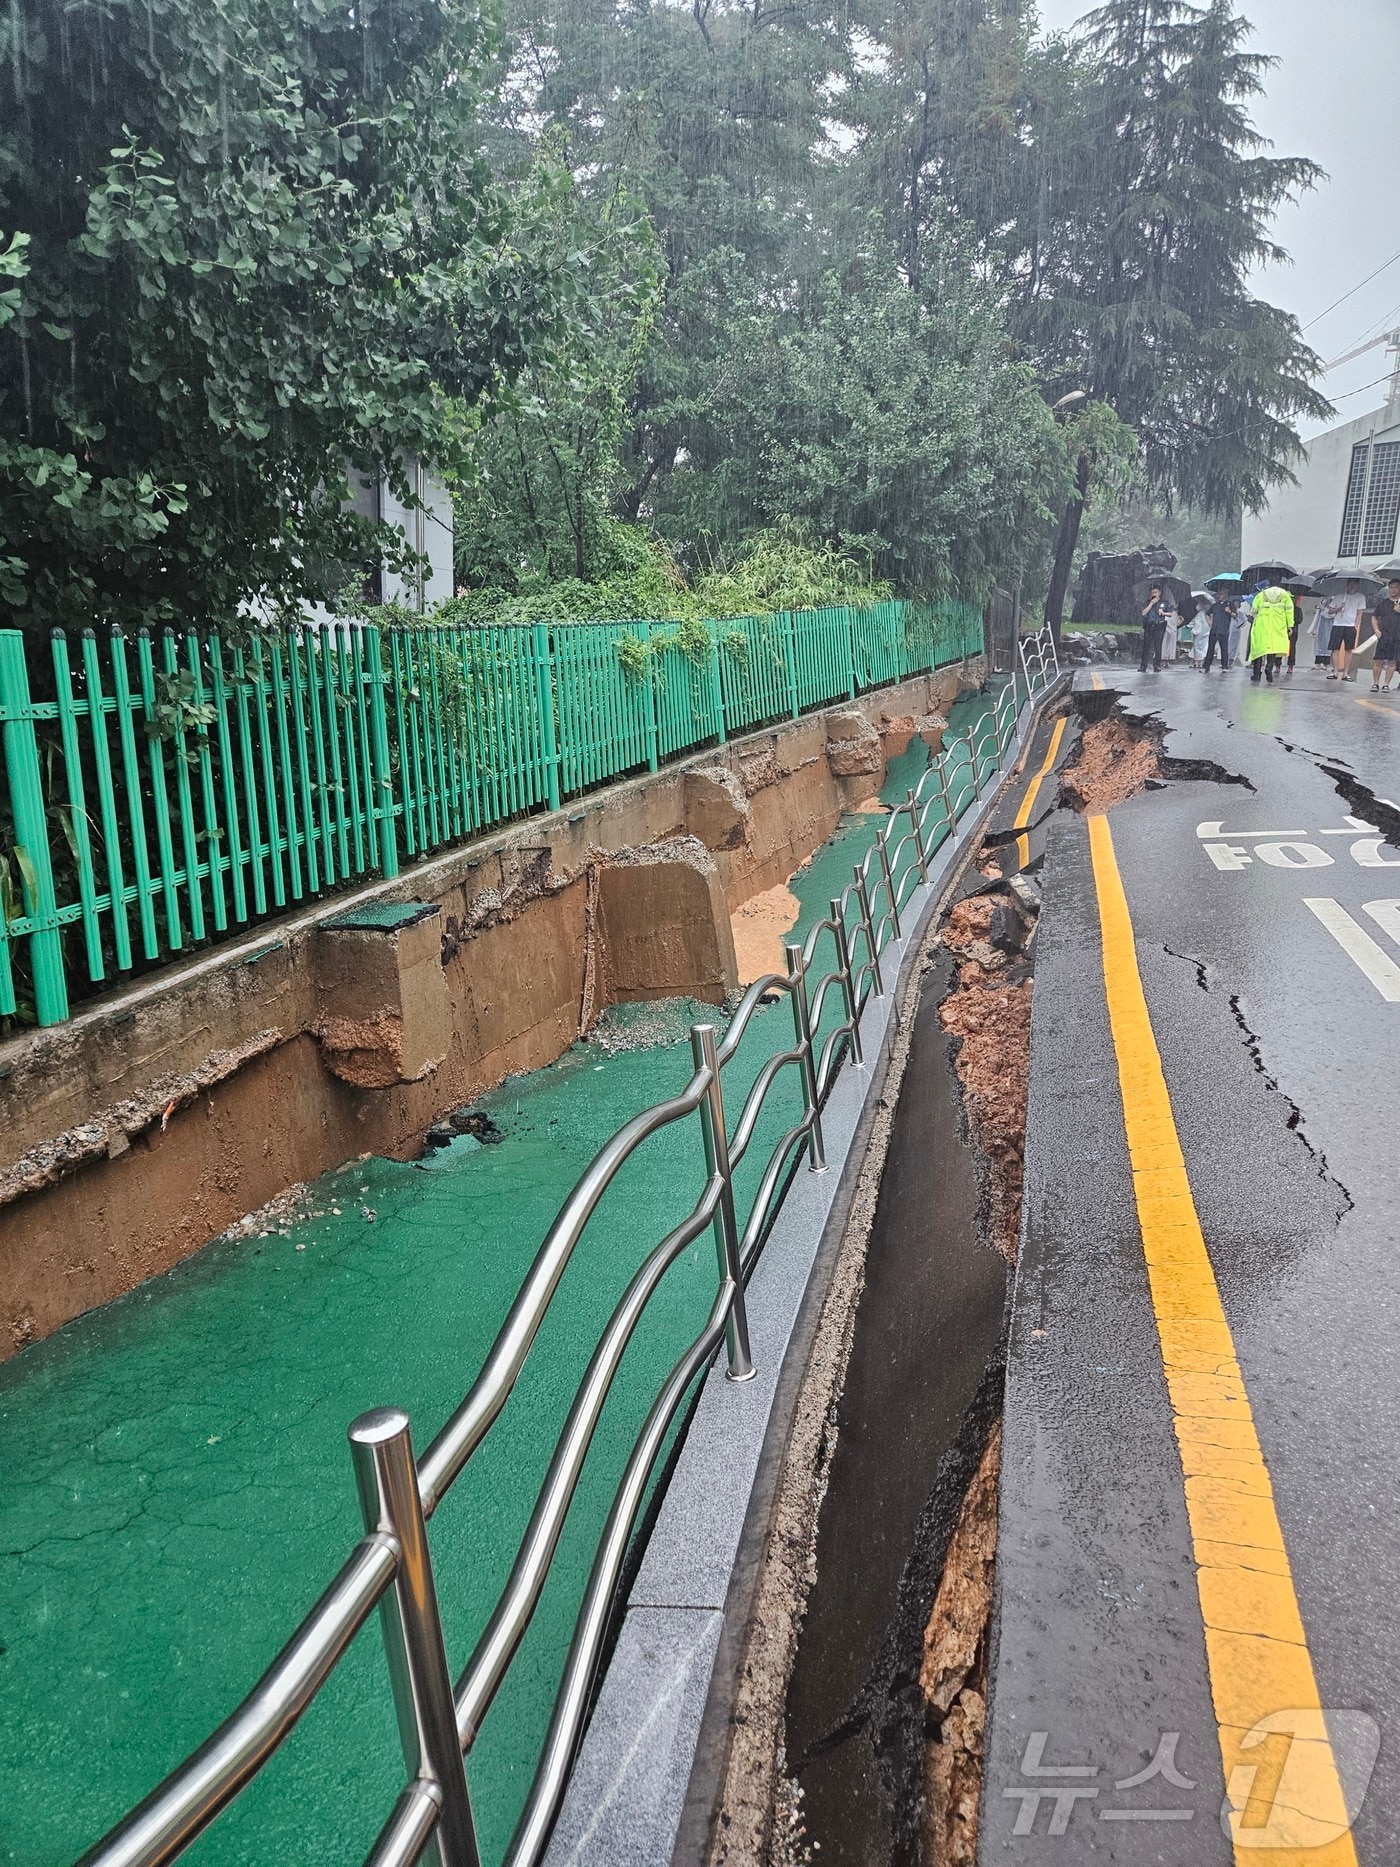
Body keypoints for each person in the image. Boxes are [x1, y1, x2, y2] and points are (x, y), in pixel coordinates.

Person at [1321, 579, 1366, 681]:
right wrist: (1339, 608)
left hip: (1350, 626)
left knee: (1348, 650)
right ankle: (1335, 672)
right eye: (1351, 583)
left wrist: (1356, 626)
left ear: (1357, 585)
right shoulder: (1339, 596)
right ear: (1347, 584)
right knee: (1335, 649)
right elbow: (1330, 611)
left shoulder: (1360, 597)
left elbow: (1359, 613)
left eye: (1355, 584)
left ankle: (1345, 673)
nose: (1352, 585)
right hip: (1338, 624)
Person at [1248, 585, 1293, 684]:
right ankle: (1269, 667)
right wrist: (1290, 625)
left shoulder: (1261, 595)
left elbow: (1254, 609)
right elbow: (1289, 611)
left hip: (1262, 623)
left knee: (1259, 649)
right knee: (1273, 648)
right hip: (1278, 623)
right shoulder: (1285, 595)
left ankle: (1256, 673)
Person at [1371, 578, 1400, 691]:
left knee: (1392, 661)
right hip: (1384, 636)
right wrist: (1376, 630)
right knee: (1378, 660)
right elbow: (1374, 617)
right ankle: (1375, 683)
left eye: (1396, 587)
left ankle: (1386, 684)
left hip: (1397, 637)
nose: (1393, 590)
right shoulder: (1383, 603)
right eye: (1391, 587)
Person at [1139, 585, 1171, 671]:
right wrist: (1151, 603)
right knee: (1146, 646)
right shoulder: (1148, 602)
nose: (1154, 594)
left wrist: (1163, 613)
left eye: (1155, 592)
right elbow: (1143, 613)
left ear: (1159, 593)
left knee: (1158, 646)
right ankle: (1143, 665)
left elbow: (1170, 614)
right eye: (1152, 593)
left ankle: (1157, 665)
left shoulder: (1164, 602)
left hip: (1159, 625)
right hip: (1149, 625)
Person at [1203, 595, 1234, 671]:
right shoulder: (1215, 605)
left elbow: (1235, 616)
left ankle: (1224, 666)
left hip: (1224, 630)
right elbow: (1207, 613)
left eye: (1222, 593)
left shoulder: (1230, 604)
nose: (1220, 595)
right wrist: (1209, 623)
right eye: (1220, 593)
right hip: (1214, 629)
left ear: (1226, 594)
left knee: (1224, 648)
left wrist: (1229, 611)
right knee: (1210, 648)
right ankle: (1207, 666)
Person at [1230, 589, 1254, 666]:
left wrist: (1236, 619)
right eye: (1235, 603)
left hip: (1236, 631)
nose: (1236, 604)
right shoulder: (1230, 610)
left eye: (1237, 603)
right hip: (1229, 630)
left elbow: (1243, 621)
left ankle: (1231, 660)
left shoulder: (1240, 612)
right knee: (1228, 646)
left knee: (1234, 646)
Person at [1189, 598, 1211, 668]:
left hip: (1201, 630)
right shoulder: (1204, 612)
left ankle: (1198, 662)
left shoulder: (1201, 612)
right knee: (1202, 646)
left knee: (1198, 646)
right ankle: (1199, 662)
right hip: (1204, 630)